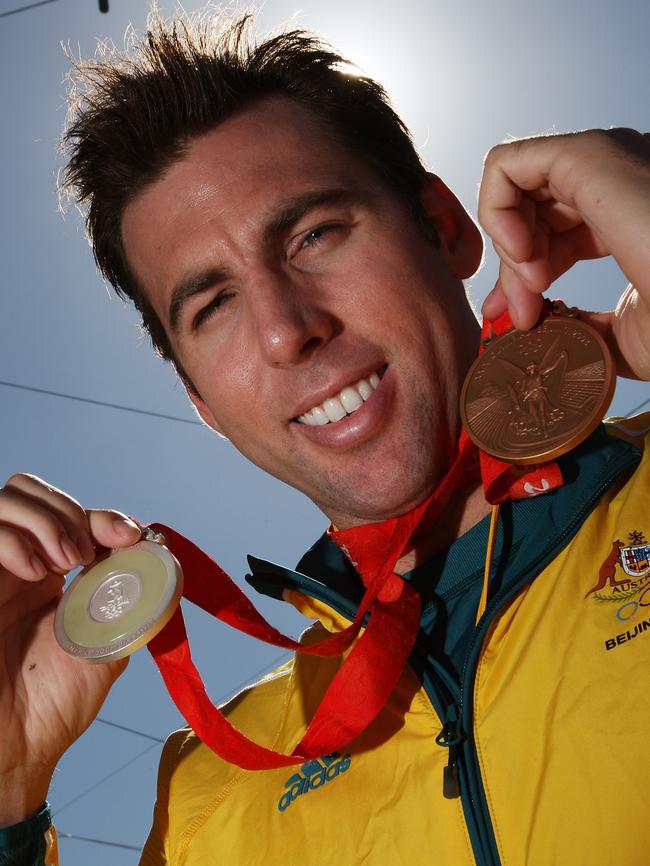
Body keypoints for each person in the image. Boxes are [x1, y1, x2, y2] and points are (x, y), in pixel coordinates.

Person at [0, 10, 648, 866]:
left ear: (445, 226)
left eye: (314, 234)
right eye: (213, 304)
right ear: (199, 397)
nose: (283, 330)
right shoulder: (206, 797)